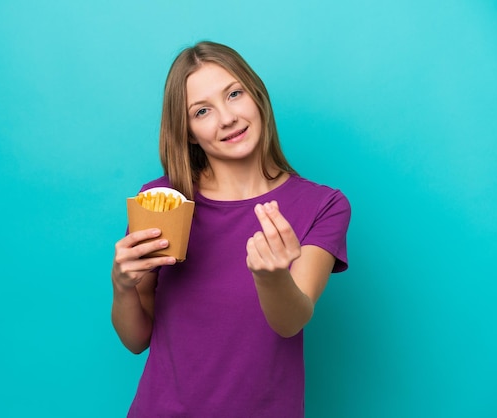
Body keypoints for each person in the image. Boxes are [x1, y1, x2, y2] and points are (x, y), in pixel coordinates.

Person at [111, 41, 350, 417]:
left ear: (256, 96)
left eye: (234, 94)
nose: (226, 118)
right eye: (202, 111)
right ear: (188, 131)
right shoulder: (162, 201)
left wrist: (271, 277)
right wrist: (122, 286)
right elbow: (135, 339)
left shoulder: (324, 206)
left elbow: (290, 322)